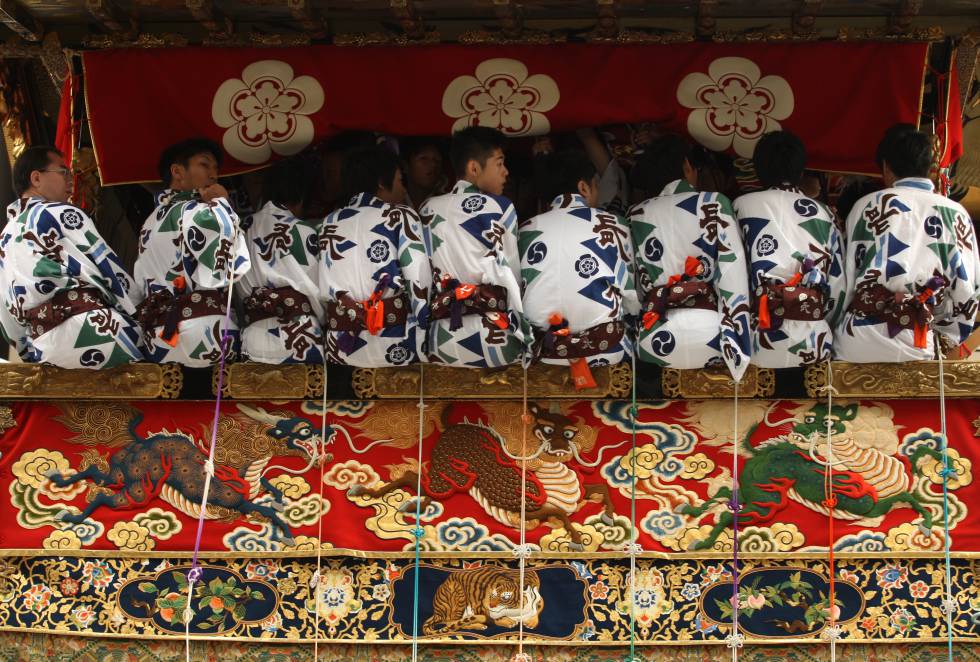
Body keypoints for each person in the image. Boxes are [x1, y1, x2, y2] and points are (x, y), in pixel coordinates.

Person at [835, 125, 980, 362]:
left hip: (859, 337)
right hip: (920, 338)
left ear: (886, 167)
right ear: (930, 168)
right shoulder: (955, 213)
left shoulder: (865, 206)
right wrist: (947, 337)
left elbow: (843, 280)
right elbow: (968, 289)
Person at [0, 146, 144, 368]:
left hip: (45, 346)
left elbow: (5, 311)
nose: (71, 180)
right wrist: (141, 313)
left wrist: (28, 353)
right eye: (63, 172)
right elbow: (106, 267)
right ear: (36, 178)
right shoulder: (62, 212)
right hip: (95, 328)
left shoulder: (5, 236)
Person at [628, 135, 752, 380]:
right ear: (687, 166)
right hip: (712, 334)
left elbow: (634, 292)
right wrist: (737, 344)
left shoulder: (635, 214)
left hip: (653, 339)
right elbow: (733, 276)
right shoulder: (714, 203)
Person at [520, 149, 639, 387]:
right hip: (606, 350)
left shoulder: (524, 229)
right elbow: (632, 297)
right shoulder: (612, 224)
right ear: (584, 188)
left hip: (543, 353)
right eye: (596, 187)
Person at [133, 138, 250, 366]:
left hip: (158, 338)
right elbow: (230, 265)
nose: (214, 175)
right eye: (205, 165)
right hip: (206, 331)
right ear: (177, 171)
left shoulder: (149, 220)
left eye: (216, 168)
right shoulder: (198, 211)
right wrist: (222, 204)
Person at [734, 131, 846, 367]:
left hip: (754, 340)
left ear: (758, 169)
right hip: (813, 339)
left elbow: (730, 276)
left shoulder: (740, 207)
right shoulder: (824, 213)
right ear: (801, 170)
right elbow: (838, 286)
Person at [421, 126, 528, 367]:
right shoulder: (499, 207)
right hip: (494, 338)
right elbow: (513, 276)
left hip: (440, 340)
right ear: (474, 167)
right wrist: (527, 334)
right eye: (499, 163)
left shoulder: (427, 208)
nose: (506, 172)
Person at [318, 146, 430, 367]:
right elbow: (419, 279)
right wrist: (425, 328)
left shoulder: (329, 222)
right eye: (400, 180)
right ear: (381, 181)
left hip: (341, 344)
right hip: (394, 341)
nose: (403, 189)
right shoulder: (400, 215)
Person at [237, 156, 323, 364]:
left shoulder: (241, 229)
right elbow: (321, 290)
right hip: (300, 334)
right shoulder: (303, 230)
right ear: (302, 196)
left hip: (254, 333)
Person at [401, 137, 447, 210]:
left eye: (437, 160)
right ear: (405, 166)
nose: (433, 164)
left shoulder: (447, 202)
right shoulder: (393, 200)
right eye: (423, 159)